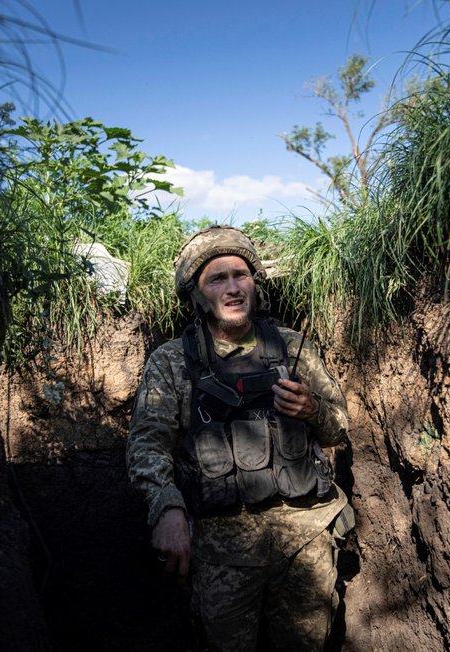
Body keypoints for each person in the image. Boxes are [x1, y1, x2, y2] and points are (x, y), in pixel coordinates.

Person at [126, 226, 352, 651]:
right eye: (217, 279)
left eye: (240, 275)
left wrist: (313, 411)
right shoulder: (172, 361)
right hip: (219, 550)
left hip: (305, 537)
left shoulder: (294, 348)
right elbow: (147, 445)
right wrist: (166, 507)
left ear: (255, 283)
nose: (232, 288)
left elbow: (340, 426)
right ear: (197, 295)